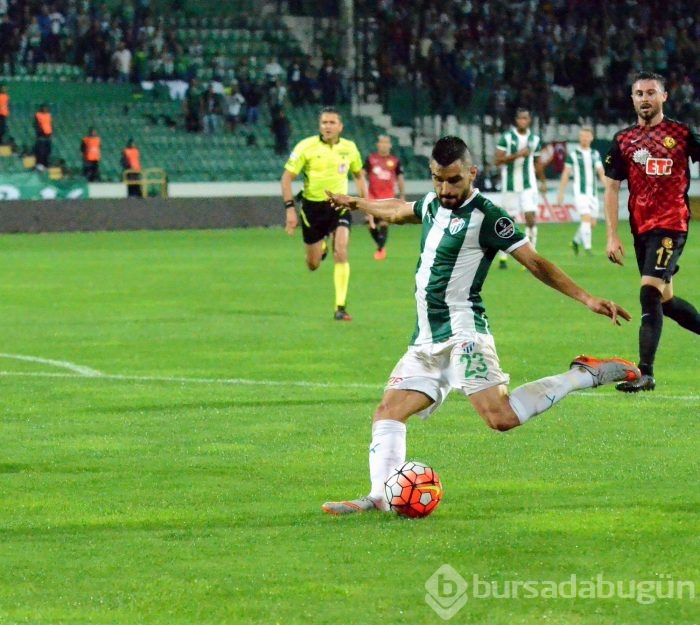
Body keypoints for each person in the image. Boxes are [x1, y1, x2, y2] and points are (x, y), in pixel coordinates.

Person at [321, 135, 639, 515]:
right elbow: (397, 209)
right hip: (424, 338)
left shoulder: (488, 216)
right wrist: (358, 203)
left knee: (500, 418)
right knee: (388, 412)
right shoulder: (433, 204)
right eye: (437, 179)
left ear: (471, 173)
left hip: (464, 335)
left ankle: (583, 374)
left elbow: (535, 262)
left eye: (453, 180)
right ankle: (378, 497)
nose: (444, 188)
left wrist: (587, 298)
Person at [604, 71, 700, 393]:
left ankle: (645, 373)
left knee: (648, 292)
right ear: (632, 99)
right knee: (667, 302)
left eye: (651, 93)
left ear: (664, 97)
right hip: (641, 228)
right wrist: (612, 235)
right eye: (639, 93)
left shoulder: (682, 134)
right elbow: (612, 188)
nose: (645, 99)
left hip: (672, 224)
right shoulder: (623, 141)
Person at [281, 106, 367, 321]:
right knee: (313, 265)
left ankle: (340, 307)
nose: (327, 126)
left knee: (342, 251)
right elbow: (286, 178)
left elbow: (358, 175)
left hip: (339, 206)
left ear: (340, 126)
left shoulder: (349, 148)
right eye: (324, 123)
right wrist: (290, 209)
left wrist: (366, 206)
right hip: (312, 209)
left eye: (331, 123)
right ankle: (321, 245)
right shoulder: (306, 147)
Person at [494, 108, 547, 268]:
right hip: (510, 185)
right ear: (516, 120)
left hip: (528, 185)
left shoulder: (535, 139)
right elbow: (497, 160)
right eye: (520, 118)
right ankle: (503, 256)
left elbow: (537, 161)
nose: (523, 121)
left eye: (526, 118)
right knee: (508, 221)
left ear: (529, 120)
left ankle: (531, 258)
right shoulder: (507, 138)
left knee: (531, 218)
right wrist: (518, 155)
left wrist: (543, 180)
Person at [556, 126, 606, 255]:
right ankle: (588, 248)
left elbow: (601, 173)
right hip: (580, 193)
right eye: (582, 136)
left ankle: (575, 242)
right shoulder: (573, 155)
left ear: (591, 138)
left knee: (592, 223)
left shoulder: (595, 154)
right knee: (586, 218)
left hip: (593, 193)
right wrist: (561, 192)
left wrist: (609, 188)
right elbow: (566, 173)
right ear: (579, 138)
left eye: (586, 136)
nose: (584, 139)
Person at [363, 134, 406, 260]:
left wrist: (402, 195)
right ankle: (381, 245)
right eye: (381, 142)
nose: (384, 145)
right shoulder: (371, 159)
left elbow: (400, 178)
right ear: (378, 145)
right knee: (370, 224)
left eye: (386, 142)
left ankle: (380, 250)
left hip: (388, 198)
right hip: (372, 197)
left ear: (390, 145)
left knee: (384, 223)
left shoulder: (395, 161)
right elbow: (362, 175)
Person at [34, 103, 53, 170]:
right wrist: (39, 133)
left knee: (48, 151)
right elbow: (36, 125)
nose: (45, 109)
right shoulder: (38, 115)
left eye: (46, 108)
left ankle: (46, 164)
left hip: (48, 135)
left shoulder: (49, 115)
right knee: (41, 151)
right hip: (41, 135)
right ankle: (40, 164)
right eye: (44, 108)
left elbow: (50, 124)